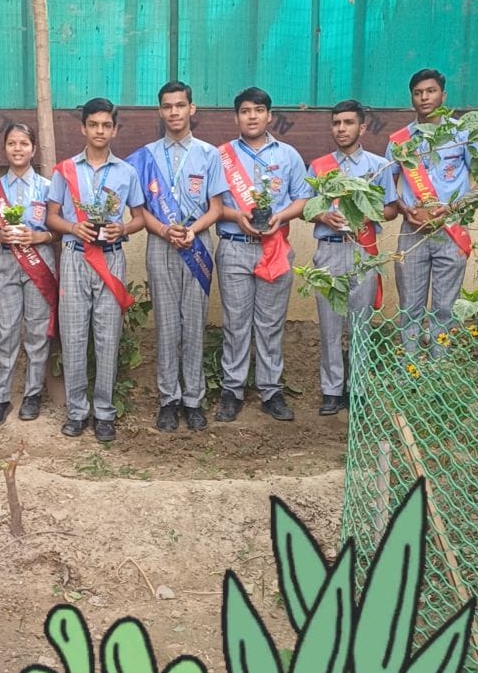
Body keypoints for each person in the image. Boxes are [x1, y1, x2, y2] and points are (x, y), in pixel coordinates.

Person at [127, 80, 225, 432]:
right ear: (160, 111)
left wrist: (192, 230)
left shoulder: (210, 154)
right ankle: (169, 400)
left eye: (180, 105)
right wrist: (163, 230)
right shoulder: (145, 157)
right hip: (161, 243)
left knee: (194, 324)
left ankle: (194, 400)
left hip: (197, 243)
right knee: (167, 325)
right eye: (167, 106)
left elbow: (216, 207)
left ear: (191, 108)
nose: (174, 112)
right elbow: (139, 209)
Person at [46, 98, 144, 442]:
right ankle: (76, 411)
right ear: (83, 128)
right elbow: (52, 217)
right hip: (75, 256)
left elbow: (140, 217)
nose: (100, 131)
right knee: (73, 336)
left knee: (107, 336)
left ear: (114, 130)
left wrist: (123, 228)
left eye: (106, 125)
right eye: (93, 125)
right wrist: (74, 228)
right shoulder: (64, 170)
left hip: (110, 258)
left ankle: (104, 412)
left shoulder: (127, 172)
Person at [214, 87, 311, 424]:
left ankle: (271, 391)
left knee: (270, 324)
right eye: (245, 111)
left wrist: (280, 217)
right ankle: (232, 391)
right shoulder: (221, 156)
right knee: (236, 324)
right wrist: (236, 215)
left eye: (258, 110)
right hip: (234, 246)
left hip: (274, 247)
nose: (252, 116)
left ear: (269, 116)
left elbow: (303, 199)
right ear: (236, 117)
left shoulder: (288, 155)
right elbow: (213, 205)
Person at [307, 99, 397, 414]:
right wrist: (323, 216)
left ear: (362, 127)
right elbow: (307, 208)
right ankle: (331, 390)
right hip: (329, 249)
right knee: (330, 324)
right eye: (336, 123)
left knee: (361, 325)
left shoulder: (378, 166)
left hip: (362, 249)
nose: (341, 129)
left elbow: (391, 208)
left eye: (348, 123)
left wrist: (364, 215)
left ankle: (357, 389)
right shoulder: (318, 167)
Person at [385, 68, 475, 355]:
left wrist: (453, 208)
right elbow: (387, 189)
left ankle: (439, 369)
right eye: (418, 93)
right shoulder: (400, 140)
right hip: (412, 232)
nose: (424, 97)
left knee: (445, 307)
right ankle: (409, 369)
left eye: (430, 91)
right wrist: (405, 210)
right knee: (409, 305)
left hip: (451, 230)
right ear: (412, 98)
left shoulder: (462, 134)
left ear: (443, 95)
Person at [0, 123, 58, 430]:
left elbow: (57, 230)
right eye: (12, 143)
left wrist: (40, 237)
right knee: (7, 331)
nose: (18, 148)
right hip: (7, 261)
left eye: (24, 143)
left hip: (40, 261)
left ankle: (32, 394)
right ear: (5, 148)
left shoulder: (48, 188)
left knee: (37, 332)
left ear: (33, 149)